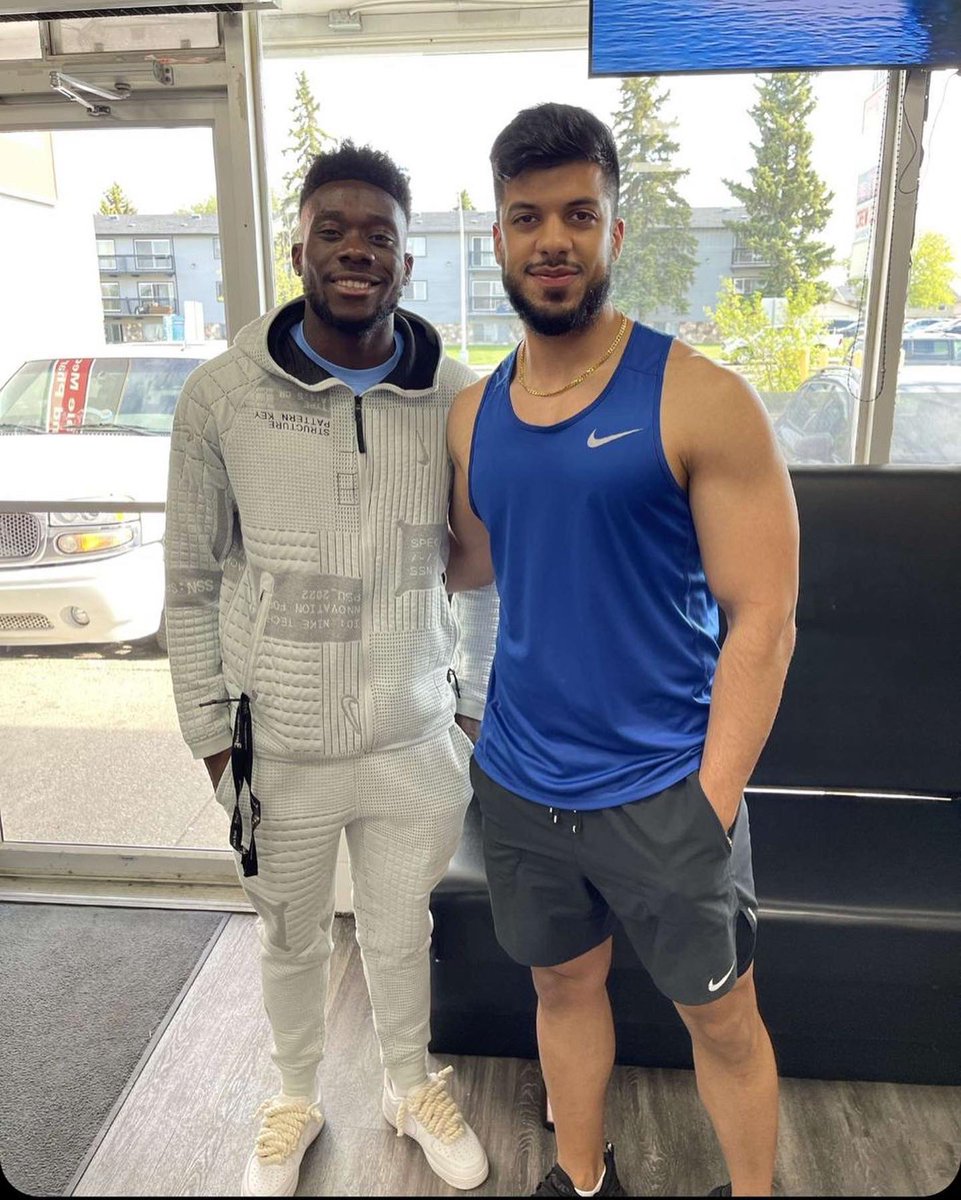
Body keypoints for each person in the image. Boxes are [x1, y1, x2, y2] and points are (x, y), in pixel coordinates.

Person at [446, 103, 799, 1199]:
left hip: (662, 789)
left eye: (577, 214)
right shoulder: (469, 416)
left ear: (612, 231)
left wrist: (713, 798)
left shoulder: (702, 398)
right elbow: (466, 565)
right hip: (518, 784)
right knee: (561, 988)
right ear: (497, 238)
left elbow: (766, 618)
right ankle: (579, 1176)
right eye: (526, 217)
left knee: (722, 1016)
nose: (552, 238)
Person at [165, 140, 497, 1198]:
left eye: (380, 237)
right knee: (291, 936)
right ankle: (294, 1097)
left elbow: (484, 577)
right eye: (335, 231)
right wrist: (212, 735)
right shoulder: (223, 398)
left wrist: (472, 718)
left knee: (405, 932)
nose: (357, 250)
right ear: (299, 247)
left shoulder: (458, 399)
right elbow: (191, 580)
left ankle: (408, 1082)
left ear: (406, 264)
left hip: (414, 743)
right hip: (282, 749)